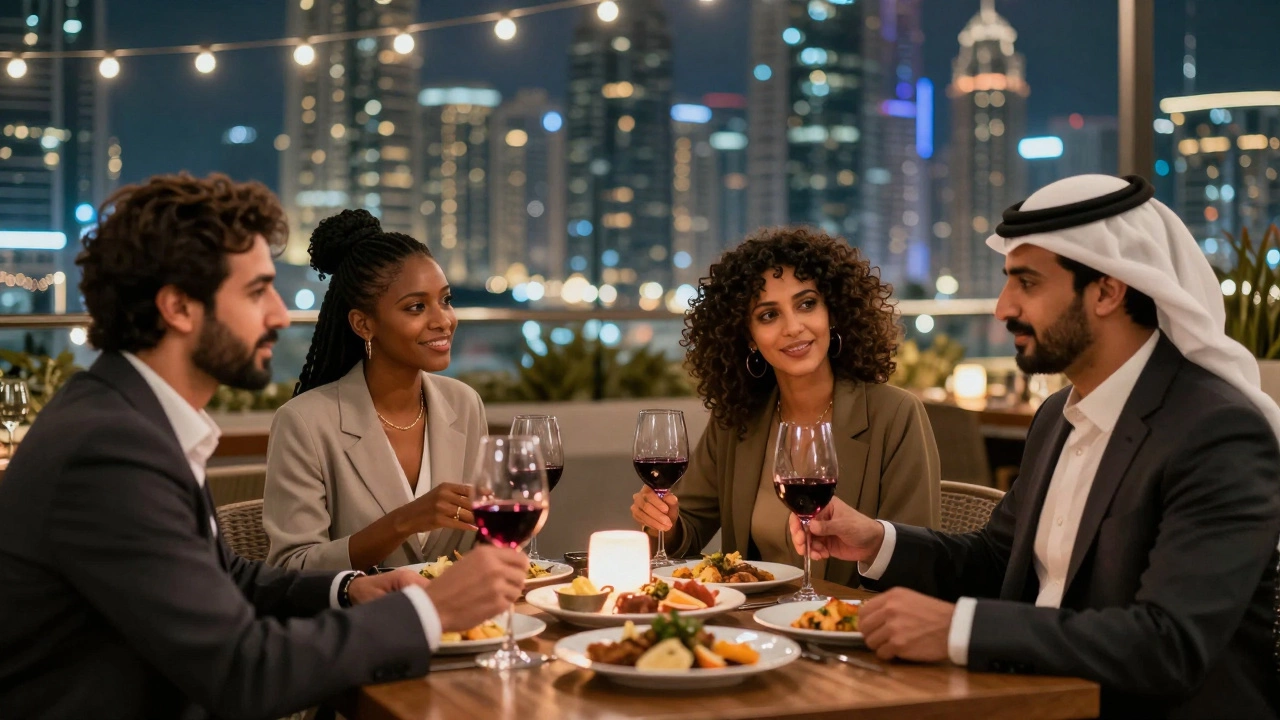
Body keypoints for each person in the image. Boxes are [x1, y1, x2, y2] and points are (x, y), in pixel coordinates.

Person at [0, 174, 528, 719]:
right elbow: (243, 672)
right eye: (256, 292)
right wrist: (427, 609)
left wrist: (346, 591)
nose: (279, 314)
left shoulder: (130, 419)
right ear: (179, 308)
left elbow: (226, 576)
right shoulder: (109, 451)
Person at [792, 175, 1280, 718]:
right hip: (1029, 699)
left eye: (1027, 283)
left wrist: (962, 629)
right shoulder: (1057, 416)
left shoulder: (1216, 432)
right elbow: (997, 560)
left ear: (1107, 290)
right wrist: (874, 540)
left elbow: (1168, 646)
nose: (1003, 308)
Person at [630, 226, 940, 587]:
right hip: (752, 630)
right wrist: (659, 521)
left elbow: (915, 561)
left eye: (807, 304)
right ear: (748, 335)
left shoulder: (896, 416)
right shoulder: (737, 420)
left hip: (850, 628)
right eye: (768, 315)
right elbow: (690, 528)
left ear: (833, 312)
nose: (793, 327)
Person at [264, 209, 486, 572]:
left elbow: (487, 540)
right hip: (361, 624)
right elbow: (292, 567)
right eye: (417, 307)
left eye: (445, 300)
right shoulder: (304, 423)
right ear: (363, 324)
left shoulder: (464, 404)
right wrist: (404, 521)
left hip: (463, 622)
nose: (443, 320)